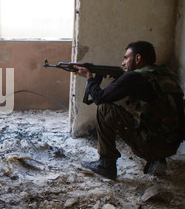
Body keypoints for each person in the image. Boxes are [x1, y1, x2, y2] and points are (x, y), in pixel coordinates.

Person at [76, 41, 184, 180]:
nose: (123, 63)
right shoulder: (168, 74)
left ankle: (106, 164)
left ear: (138, 58)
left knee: (104, 109)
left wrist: (89, 78)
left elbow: (99, 98)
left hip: (150, 146)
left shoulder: (134, 76)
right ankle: (159, 159)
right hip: (173, 146)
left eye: (126, 58)